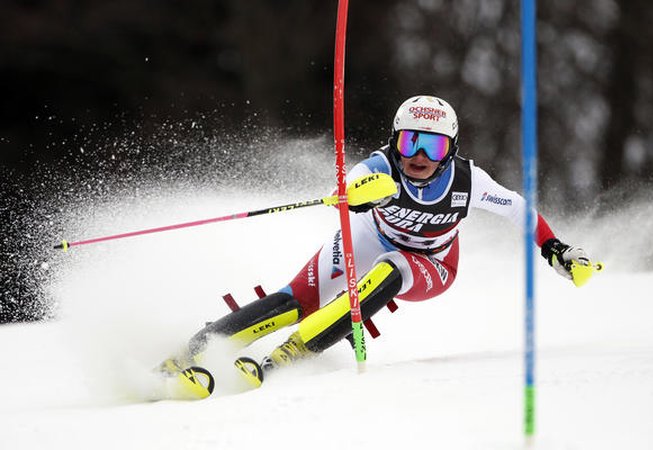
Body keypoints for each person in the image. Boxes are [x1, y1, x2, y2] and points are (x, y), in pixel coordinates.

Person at [160, 95, 592, 395]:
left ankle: (287, 355)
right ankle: (194, 349)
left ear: (451, 149)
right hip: (369, 237)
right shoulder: (382, 165)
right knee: (297, 299)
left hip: (433, 265)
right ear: (394, 140)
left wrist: (556, 249)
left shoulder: (468, 181)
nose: (418, 155)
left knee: (393, 266)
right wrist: (357, 192)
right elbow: (353, 183)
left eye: (433, 145)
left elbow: (519, 210)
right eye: (409, 141)